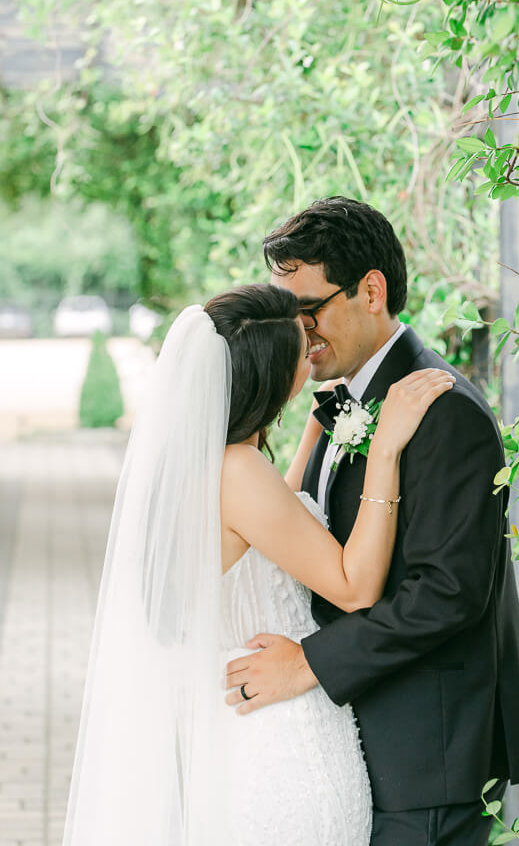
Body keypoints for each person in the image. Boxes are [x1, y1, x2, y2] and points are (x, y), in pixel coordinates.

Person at [62, 283, 454, 846]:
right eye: (302, 346)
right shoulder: (238, 472)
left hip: (237, 736)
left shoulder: (207, 468)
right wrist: (385, 450)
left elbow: (270, 534)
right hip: (282, 749)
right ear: (272, 376)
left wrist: (313, 436)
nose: (314, 348)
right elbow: (354, 586)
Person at [226, 198, 519, 846]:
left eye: (309, 309)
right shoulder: (345, 401)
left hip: (422, 754)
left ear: (370, 290)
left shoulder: (442, 409)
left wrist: (309, 664)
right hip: (349, 745)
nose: (298, 330)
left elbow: (448, 592)